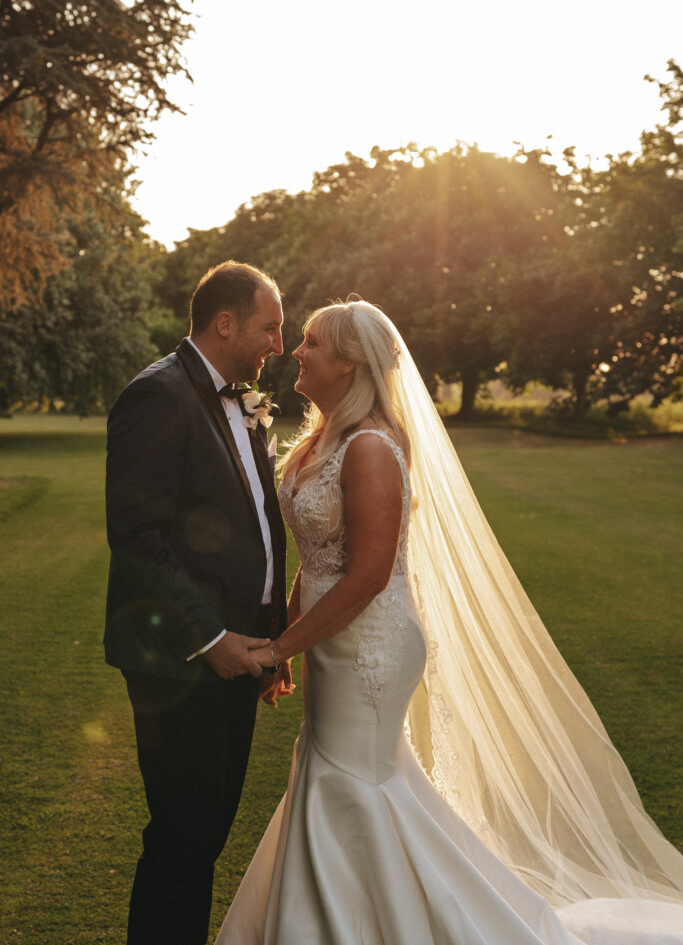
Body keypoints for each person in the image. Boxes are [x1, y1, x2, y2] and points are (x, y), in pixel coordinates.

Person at [215, 298, 683, 945]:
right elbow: (320, 561)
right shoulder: (322, 441)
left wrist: (276, 649)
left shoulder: (373, 447)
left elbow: (369, 575)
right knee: (345, 778)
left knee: (349, 782)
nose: (297, 351)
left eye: (312, 342)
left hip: (371, 648)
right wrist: (288, 647)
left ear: (349, 363)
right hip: (331, 640)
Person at [104, 261, 292, 945]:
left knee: (206, 828)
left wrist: (268, 638)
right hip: (182, 656)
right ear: (225, 323)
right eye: (269, 326)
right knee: (184, 830)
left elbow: (252, 524)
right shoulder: (157, 395)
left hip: (239, 648)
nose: (278, 341)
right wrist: (212, 638)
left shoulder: (238, 399)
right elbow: (135, 535)